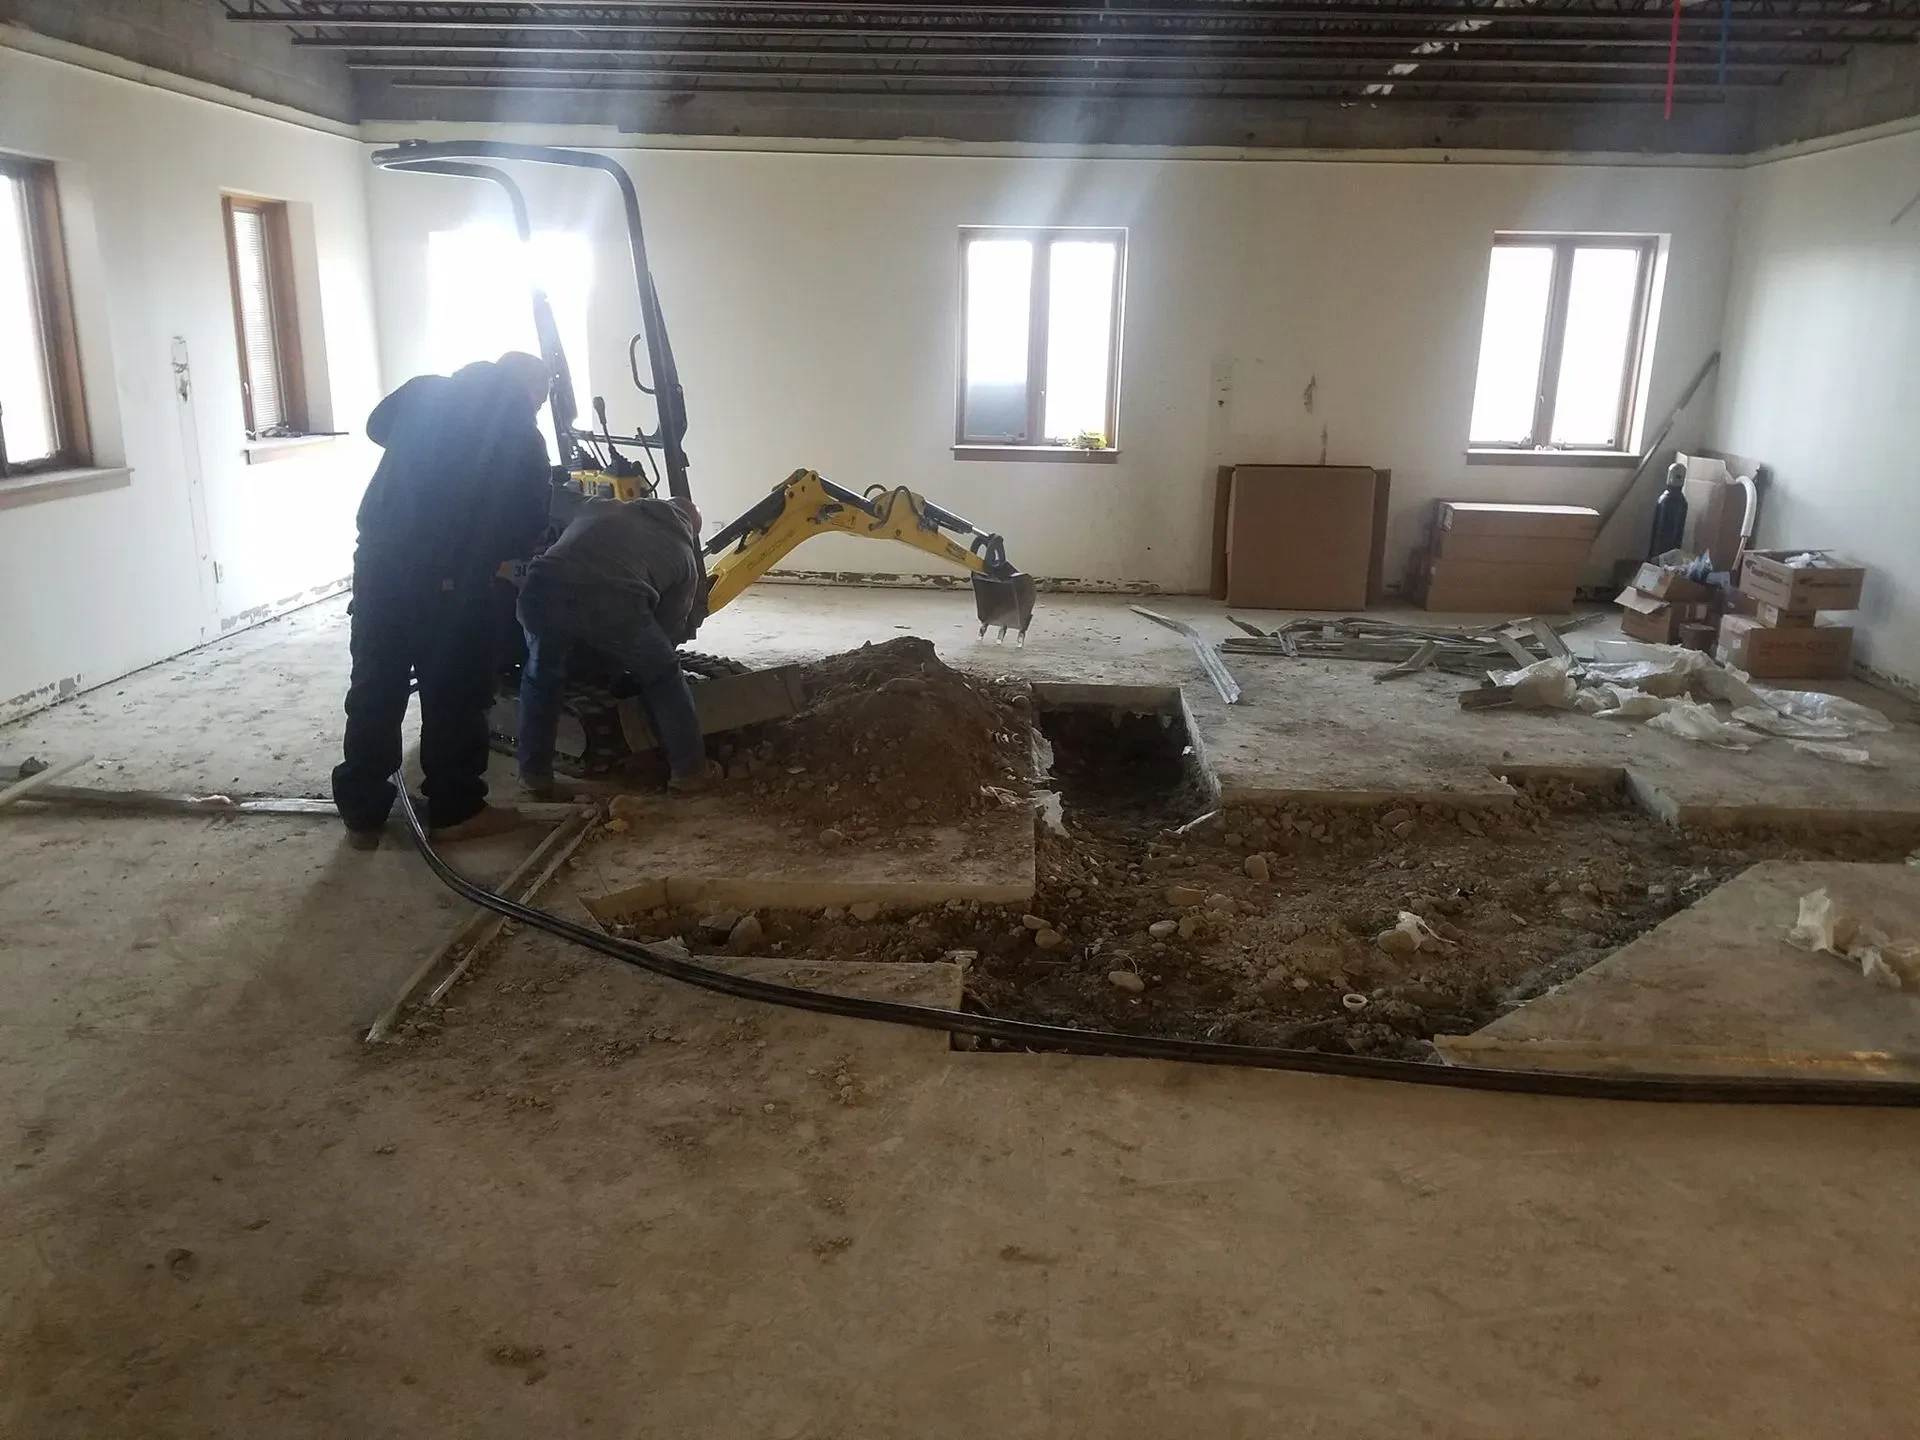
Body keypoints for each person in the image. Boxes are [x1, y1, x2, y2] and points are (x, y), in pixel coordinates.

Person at [331, 352, 554, 848]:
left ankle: (362, 811)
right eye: (539, 401)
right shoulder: (522, 434)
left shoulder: (425, 390)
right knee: (454, 693)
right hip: (451, 580)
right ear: (532, 392)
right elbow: (528, 527)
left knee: (376, 682)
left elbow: (376, 427)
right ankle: (455, 810)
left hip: (378, 564)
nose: (536, 410)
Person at [515, 492, 718, 799]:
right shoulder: (684, 555)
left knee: (540, 677)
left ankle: (534, 777)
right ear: (691, 529)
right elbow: (669, 627)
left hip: (540, 588)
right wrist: (635, 669)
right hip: (612, 603)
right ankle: (690, 773)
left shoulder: (600, 506)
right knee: (665, 676)